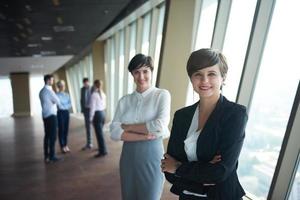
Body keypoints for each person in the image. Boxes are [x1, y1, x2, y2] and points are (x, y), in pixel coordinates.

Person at [161, 48, 248, 200]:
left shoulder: (235, 115)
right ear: (191, 78)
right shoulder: (182, 116)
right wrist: (203, 175)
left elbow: (220, 172)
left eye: (211, 74)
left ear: (223, 77)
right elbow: (168, 171)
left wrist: (178, 167)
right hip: (187, 197)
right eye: (198, 74)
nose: (204, 80)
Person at [110, 54, 171, 200]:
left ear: (151, 72)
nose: (141, 76)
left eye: (145, 71)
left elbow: (160, 126)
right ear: (132, 74)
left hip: (152, 156)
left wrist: (127, 127)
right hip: (128, 157)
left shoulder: (161, 95)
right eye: (136, 72)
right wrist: (144, 134)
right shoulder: (125, 101)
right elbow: (114, 132)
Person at [39, 74, 62, 163]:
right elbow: (58, 101)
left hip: (45, 115)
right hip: (51, 116)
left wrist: (52, 101)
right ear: (48, 80)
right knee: (53, 136)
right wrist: (54, 102)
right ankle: (52, 156)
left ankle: (46, 156)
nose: (53, 81)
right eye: (52, 80)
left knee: (47, 136)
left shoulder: (41, 91)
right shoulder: (49, 91)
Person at [89, 80, 107, 158]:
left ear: (94, 85)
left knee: (99, 134)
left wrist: (90, 118)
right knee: (100, 133)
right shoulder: (103, 94)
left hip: (97, 115)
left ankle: (103, 151)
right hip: (103, 113)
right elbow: (104, 105)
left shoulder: (94, 95)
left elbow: (92, 108)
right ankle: (102, 148)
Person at [56, 80, 72, 153]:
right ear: (58, 87)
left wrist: (64, 106)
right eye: (61, 85)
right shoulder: (56, 95)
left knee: (66, 129)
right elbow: (59, 106)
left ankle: (66, 145)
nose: (63, 87)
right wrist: (65, 106)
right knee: (61, 129)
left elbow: (70, 104)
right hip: (60, 113)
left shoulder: (67, 95)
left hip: (66, 113)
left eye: (63, 85)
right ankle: (62, 146)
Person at [80, 77, 92, 150]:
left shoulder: (93, 89)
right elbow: (81, 100)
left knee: (97, 128)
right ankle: (89, 143)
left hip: (93, 110)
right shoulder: (82, 89)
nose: (85, 84)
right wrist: (82, 109)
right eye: (84, 83)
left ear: (88, 82)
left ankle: (101, 145)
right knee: (88, 127)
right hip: (86, 111)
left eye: (86, 83)